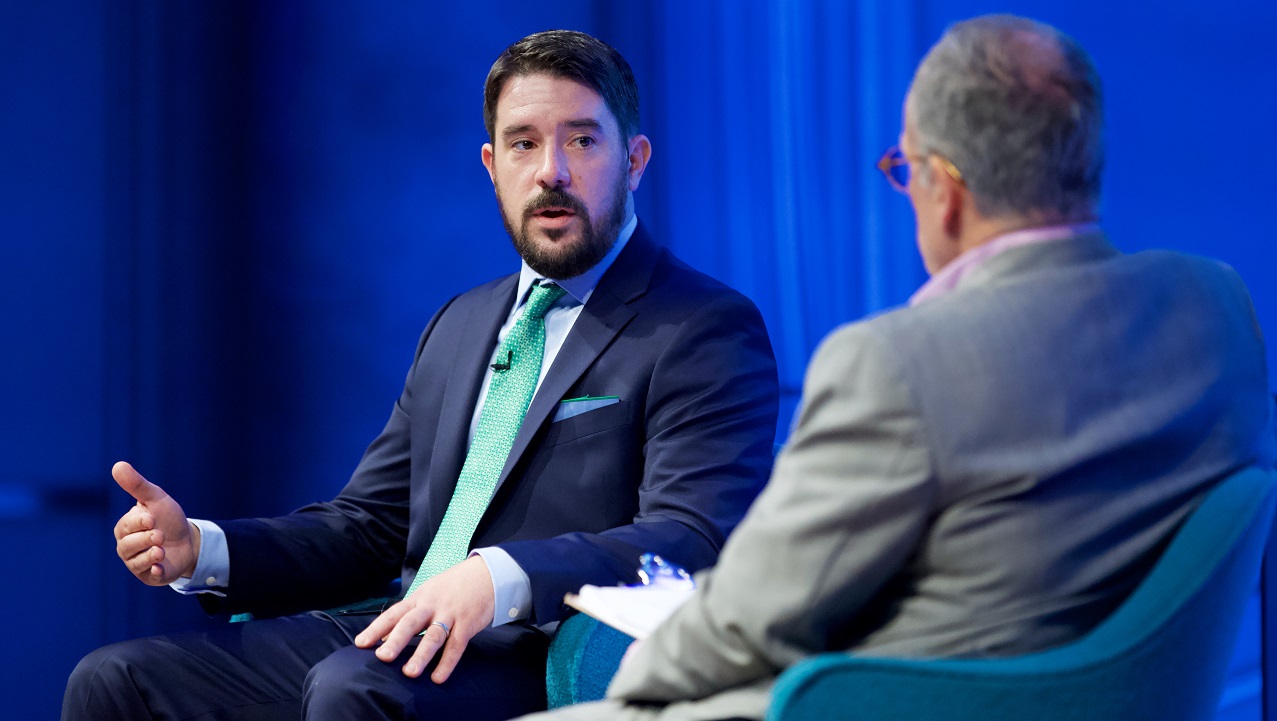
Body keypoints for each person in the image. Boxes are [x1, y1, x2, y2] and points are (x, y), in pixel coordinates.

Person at [517, 14, 1277, 721]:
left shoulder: (897, 363)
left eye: (902, 168)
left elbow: (749, 620)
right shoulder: (1214, 308)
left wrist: (630, 685)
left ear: (943, 189)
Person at [63, 30, 779, 721]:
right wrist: (203, 547)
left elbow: (691, 534)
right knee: (117, 680)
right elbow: (369, 528)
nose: (551, 171)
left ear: (634, 159)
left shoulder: (701, 324)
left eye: (582, 140)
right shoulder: (461, 323)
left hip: (541, 645)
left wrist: (499, 577)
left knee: (356, 688)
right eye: (523, 143)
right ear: (491, 166)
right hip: (399, 627)